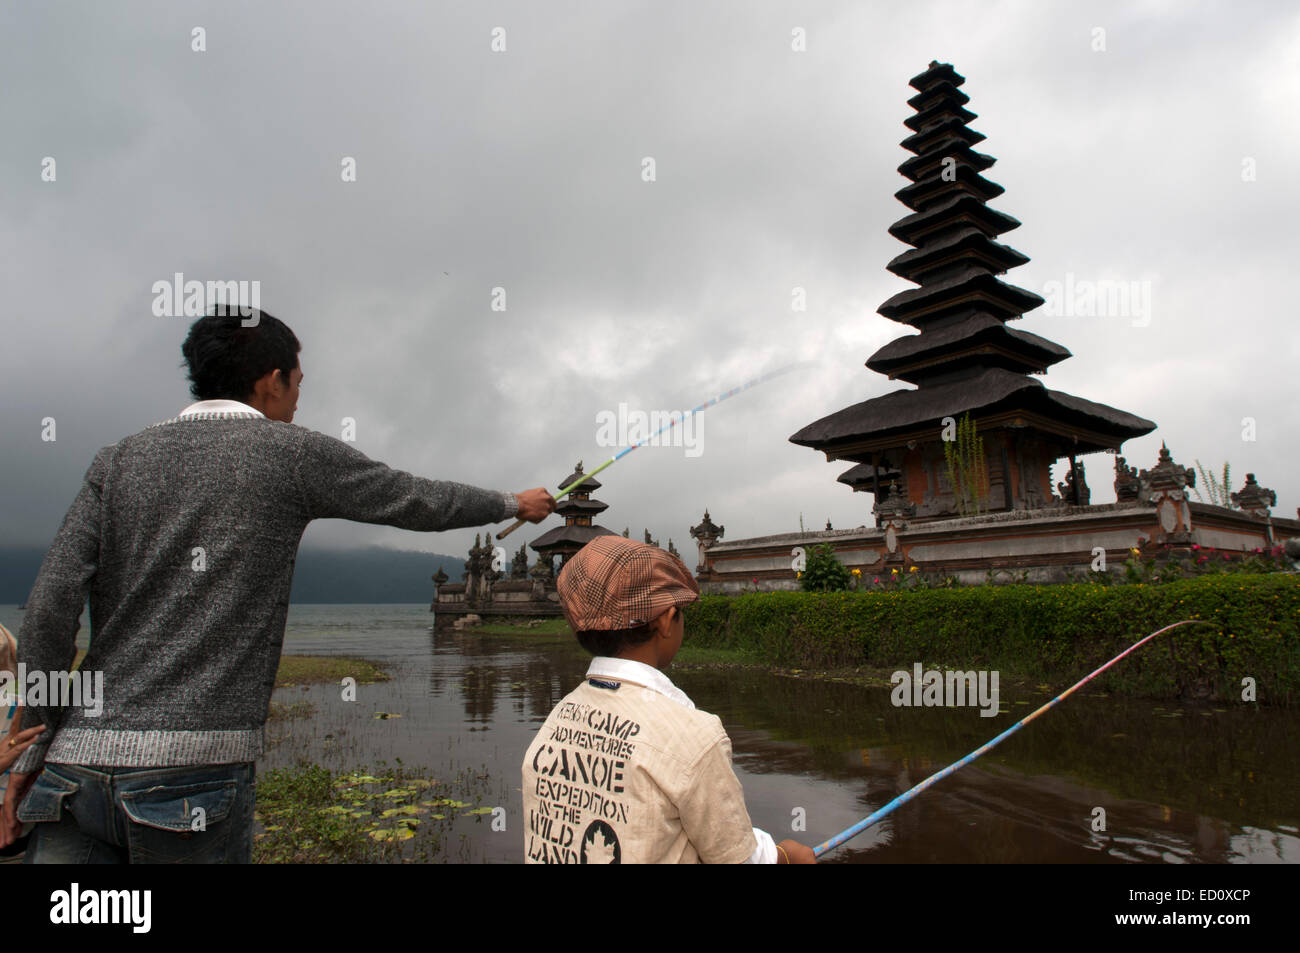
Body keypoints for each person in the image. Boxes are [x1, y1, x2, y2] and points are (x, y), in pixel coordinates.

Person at [2, 309, 556, 863]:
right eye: (297, 384)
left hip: (71, 771)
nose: (297, 401)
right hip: (189, 776)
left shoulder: (117, 459)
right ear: (272, 380)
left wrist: (31, 748)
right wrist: (513, 503)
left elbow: (50, 609)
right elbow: (413, 497)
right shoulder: (289, 453)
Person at [521, 535, 816, 864]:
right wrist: (785, 856)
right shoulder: (694, 736)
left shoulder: (555, 721)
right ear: (664, 620)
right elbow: (738, 858)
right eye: (680, 613)